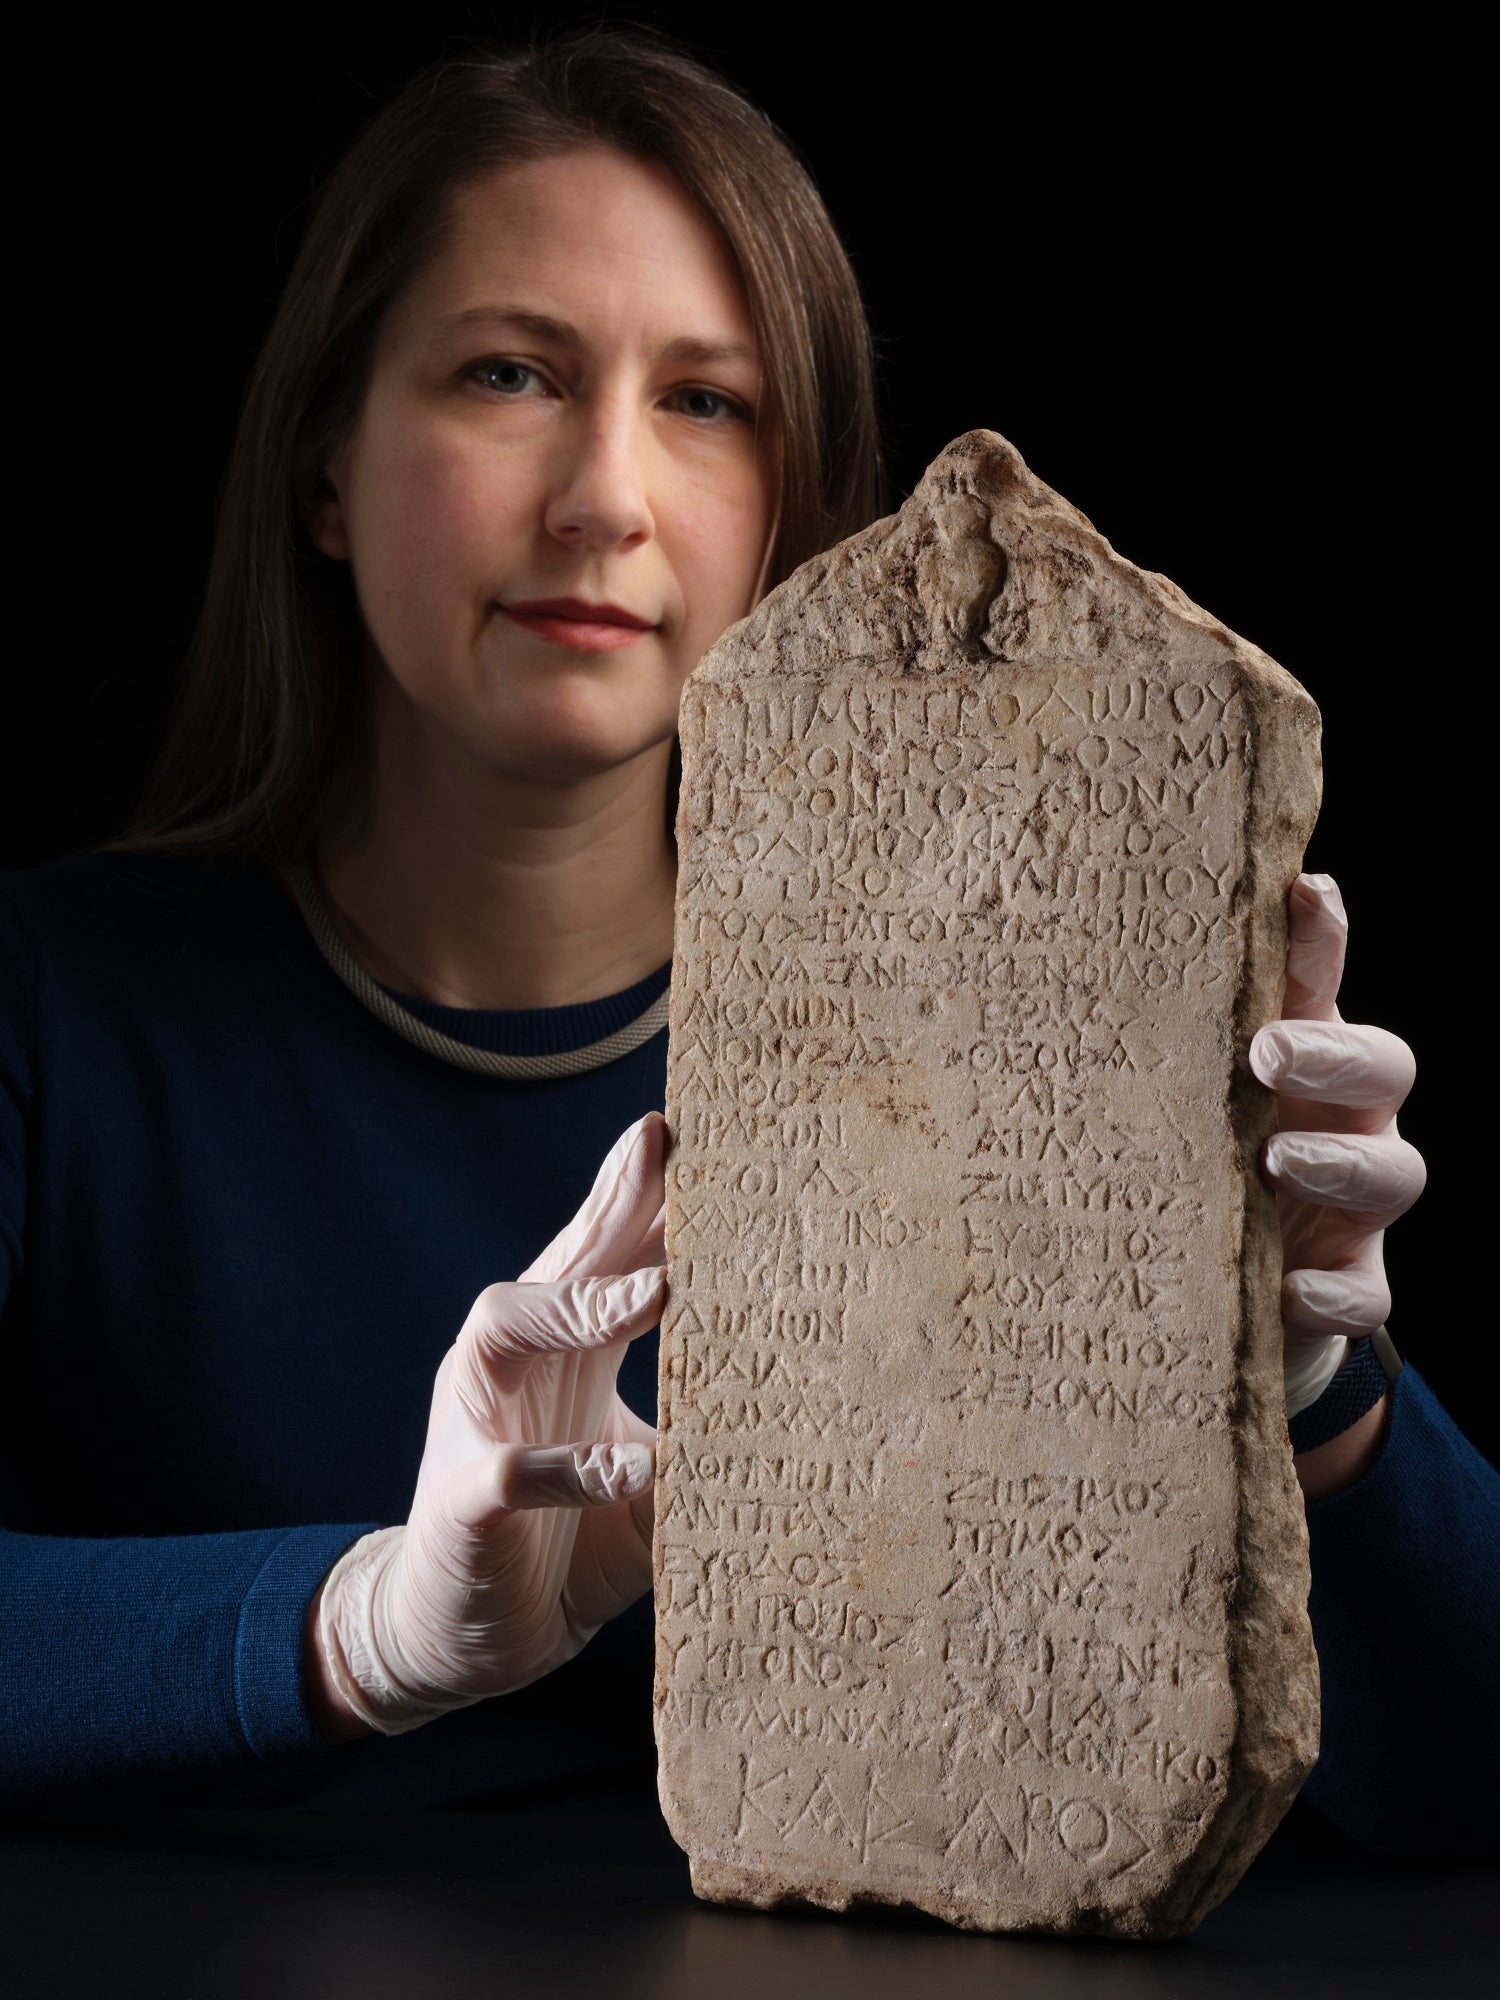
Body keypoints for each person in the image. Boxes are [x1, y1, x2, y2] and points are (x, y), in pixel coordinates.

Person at [1, 30, 1494, 1852]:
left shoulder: (1015, 1069)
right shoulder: (50, 1010)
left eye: (707, 402)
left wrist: (1318, 1404)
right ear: (323, 464)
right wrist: (365, 1631)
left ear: (797, 516)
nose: (603, 499)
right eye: (506, 373)